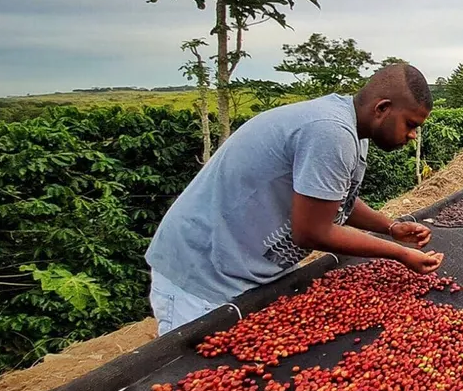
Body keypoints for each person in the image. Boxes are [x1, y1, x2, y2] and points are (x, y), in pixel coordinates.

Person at [146, 63, 444, 334]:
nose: (413, 135)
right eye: (411, 124)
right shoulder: (330, 132)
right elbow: (312, 231)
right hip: (203, 276)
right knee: (196, 381)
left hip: (246, 269)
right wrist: (400, 254)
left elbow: (330, 200)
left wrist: (390, 227)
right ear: (382, 108)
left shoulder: (353, 130)